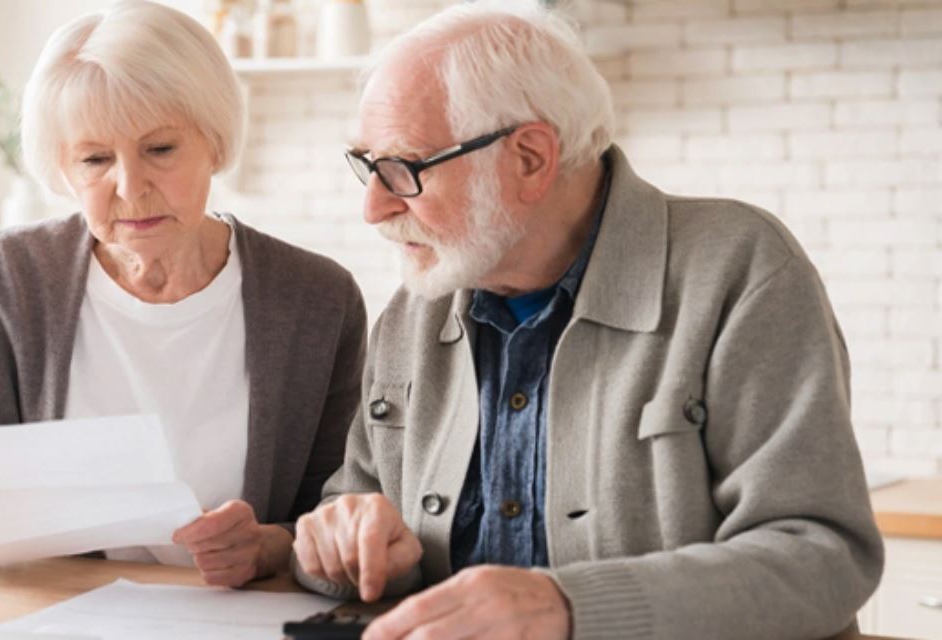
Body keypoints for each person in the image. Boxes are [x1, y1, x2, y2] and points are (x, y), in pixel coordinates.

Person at [291, 2, 884, 638]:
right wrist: (346, 547)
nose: (374, 208)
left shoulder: (738, 269)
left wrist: (567, 606)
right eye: (366, 164)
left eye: (403, 168)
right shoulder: (417, 307)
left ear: (529, 159)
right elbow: (350, 511)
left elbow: (824, 557)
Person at [0, 0, 366, 589]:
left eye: (160, 149)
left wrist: (269, 546)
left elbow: (344, 512)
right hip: (52, 615)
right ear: (63, 171)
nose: (130, 187)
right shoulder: (0, 279)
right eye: (95, 159)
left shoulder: (318, 300)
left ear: (215, 143)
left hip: (235, 616)